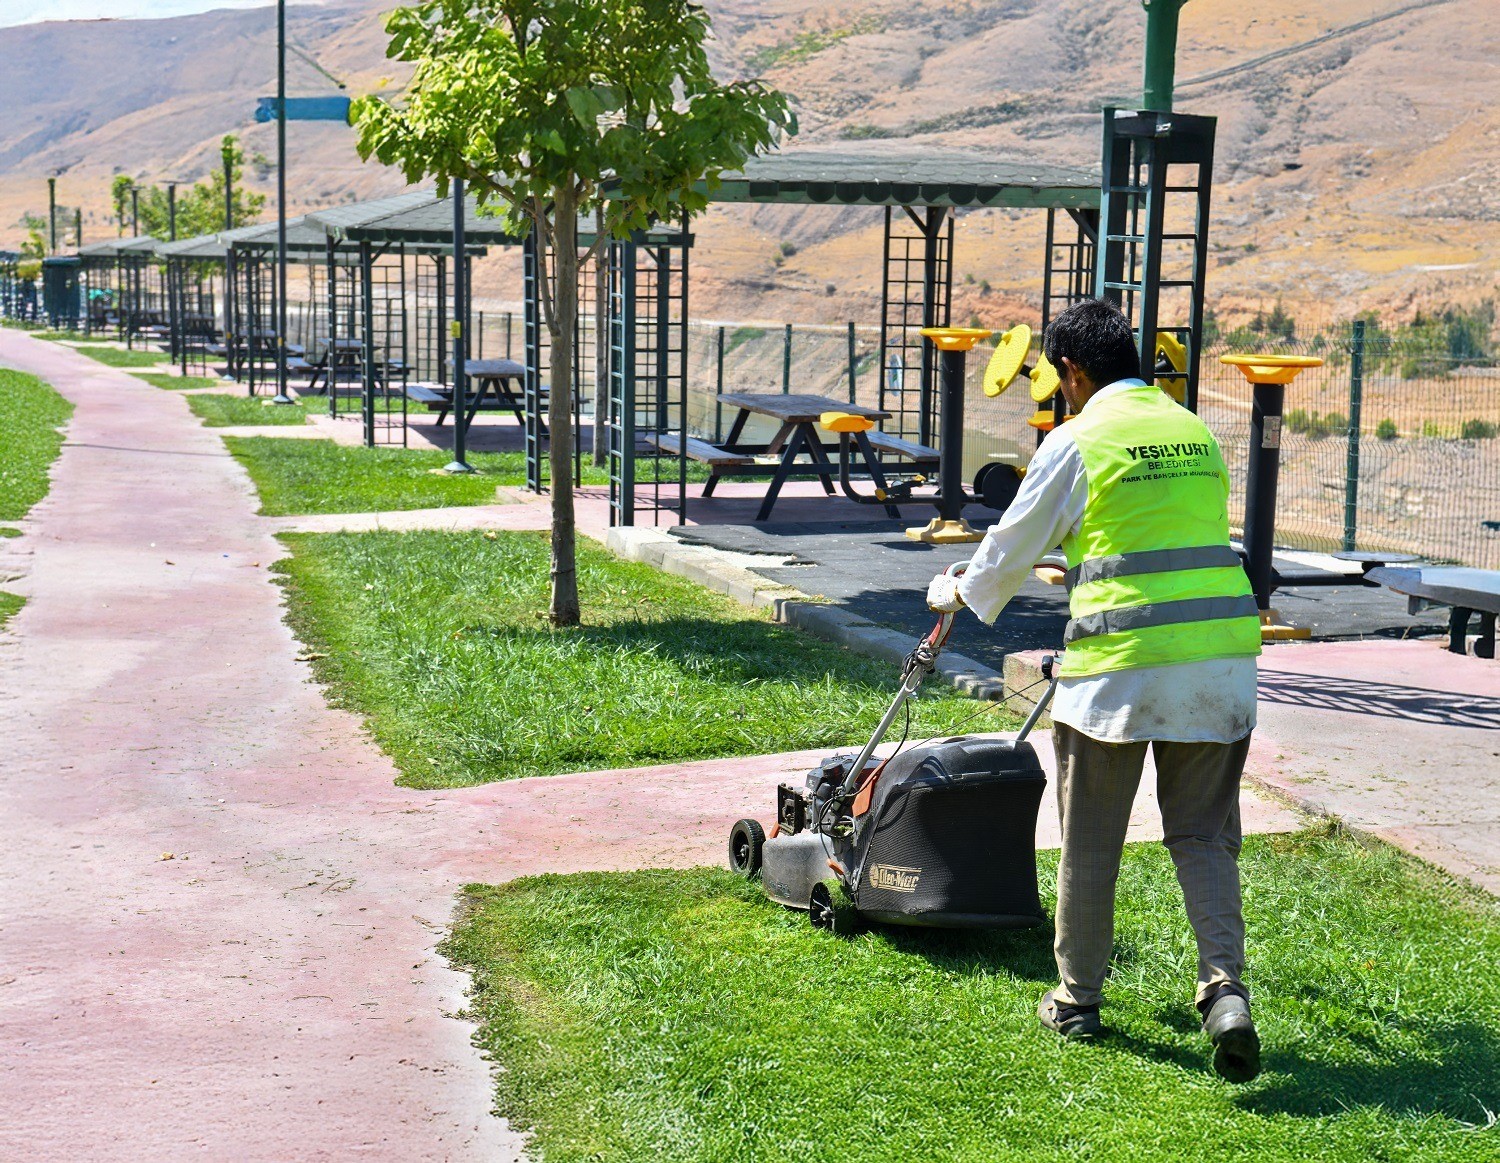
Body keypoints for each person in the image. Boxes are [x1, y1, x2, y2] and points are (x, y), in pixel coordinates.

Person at [926, 298, 1263, 1082]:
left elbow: (1010, 544)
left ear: (1073, 372)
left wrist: (957, 592)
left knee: (1091, 840)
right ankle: (1224, 991)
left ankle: (1078, 998)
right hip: (1219, 664)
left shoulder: (1079, 440)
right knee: (1204, 837)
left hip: (1117, 673)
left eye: (1058, 380)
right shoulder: (1196, 431)